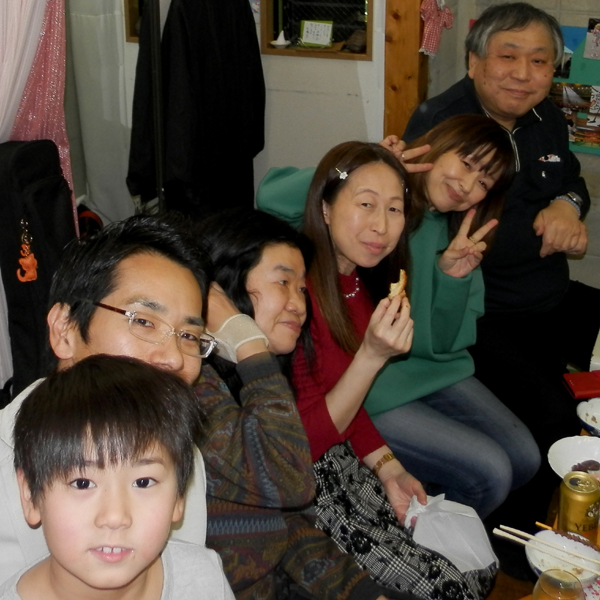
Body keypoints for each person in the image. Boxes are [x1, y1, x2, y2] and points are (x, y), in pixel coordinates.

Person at [260, 142, 498, 599]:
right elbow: (299, 445)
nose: (382, 226)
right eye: (366, 204)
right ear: (325, 208)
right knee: (453, 585)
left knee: (478, 567)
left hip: (346, 461)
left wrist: (390, 468)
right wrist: (371, 356)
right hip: (303, 489)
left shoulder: (356, 282)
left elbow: (353, 401)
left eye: (394, 209)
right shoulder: (296, 294)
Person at [402, 2, 600, 527]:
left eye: (539, 61)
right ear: (473, 62)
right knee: (555, 419)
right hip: (481, 313)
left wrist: (567, 207)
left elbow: (573, 182)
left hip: (548, 295)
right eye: (507, 56)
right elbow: (453, 235)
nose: (523, 74)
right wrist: (545, 230)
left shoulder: (546, 116)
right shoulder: (442, 123)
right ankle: (525, 533)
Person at [197, 208, 406, 600]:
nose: (298, 303)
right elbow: (290, 483)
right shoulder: (196, 387)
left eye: (302, 290)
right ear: (222, 290)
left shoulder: (261, 375)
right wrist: (249, 344)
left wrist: (361, 593)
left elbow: (288, 523)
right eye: (283, 282)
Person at [0, 214, 213, 585]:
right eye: (143, 321)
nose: (174, 358)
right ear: (65, 329)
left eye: (189, 336)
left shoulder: (175, 453)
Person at [1, 355, 234, 600]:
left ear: (179, 496)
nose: (115, 517)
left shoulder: (204, 578)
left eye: (143, 482)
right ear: (30, 496)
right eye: (82, 483)